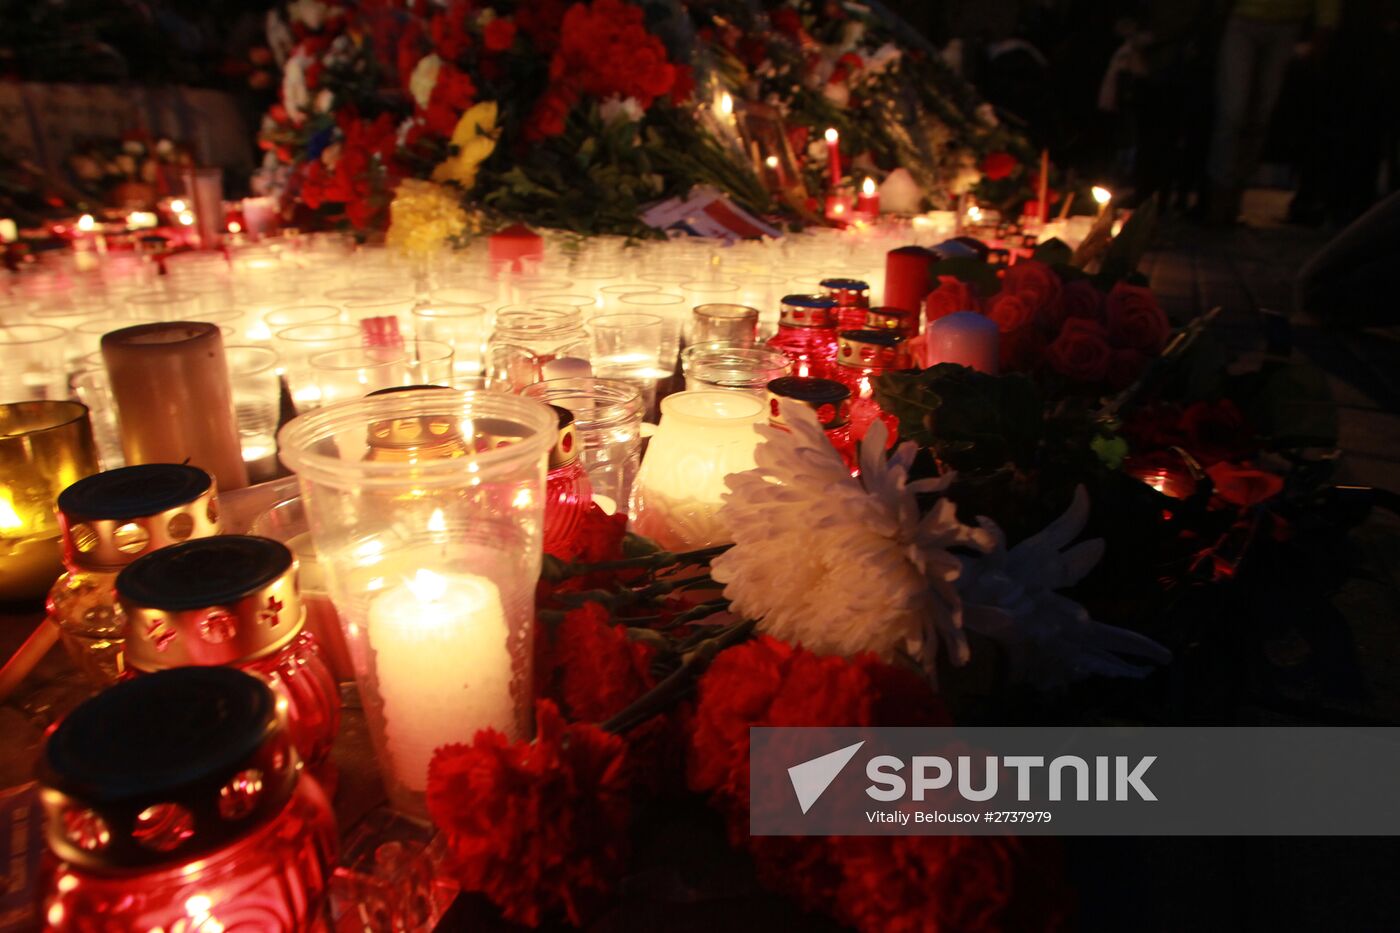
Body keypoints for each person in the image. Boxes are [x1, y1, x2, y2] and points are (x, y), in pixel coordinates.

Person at [1205, 0, 1339, 224]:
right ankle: (1220, 192)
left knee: (1261, 115)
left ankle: (1237, 191)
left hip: (1287, 21)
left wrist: (1326, 23)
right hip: (1243, 16)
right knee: (1233, 112)